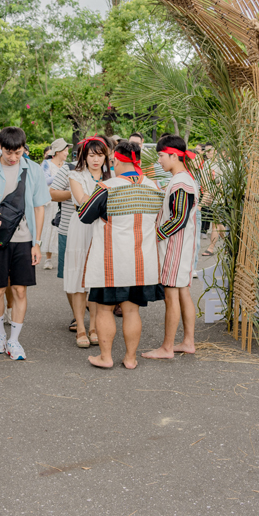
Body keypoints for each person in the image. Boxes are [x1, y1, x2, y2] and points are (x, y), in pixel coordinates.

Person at [79, 141, 165, 369]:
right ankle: (130, 358)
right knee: (131, 310)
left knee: (105, 309)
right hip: (141, 262)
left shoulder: (108, 187)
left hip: (111, 261)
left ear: (116, 160)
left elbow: (85, 215)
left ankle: (106, 357)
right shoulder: (154, 187)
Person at [0, 127, 51, 360]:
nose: (13, 157)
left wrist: (37, 242)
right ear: (0, 146)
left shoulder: (33, 170)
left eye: (18, 152)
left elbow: (39, 207)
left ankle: (14, 340)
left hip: (25, 239)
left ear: (24, 148)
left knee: (19, 289)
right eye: (8, 152)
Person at [142, 135, 202, 360]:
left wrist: (154, 236)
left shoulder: (181, 182)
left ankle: (167, 347)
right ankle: (187, 342)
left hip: (175, 248)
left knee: (172, 296)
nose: (159, 161)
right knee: (182, 293)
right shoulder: (183, 179)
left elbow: (178, 219)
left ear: (174, 155)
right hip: (181, 247)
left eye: (160, 156)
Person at [64, 137, 110, 347]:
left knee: (95, 279)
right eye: (91, 155)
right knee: (78, 277)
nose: (96, 159)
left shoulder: (111, 176)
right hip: (81, 225)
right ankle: (81, 329)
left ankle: (93, 326)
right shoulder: (75, 174)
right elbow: (83, 200)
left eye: (100, 155)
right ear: (84, 155)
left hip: (103, 228)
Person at [49, 147, 78, 326]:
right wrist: (76, 192)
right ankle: (77, 316)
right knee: (70, 276)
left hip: (97, 232)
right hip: (68, 230)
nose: (94, 158)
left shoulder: (106, 171)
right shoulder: (69, 169)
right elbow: (53, 194)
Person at [40, 138, 70, 271]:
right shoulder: (46, 164)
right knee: (50, 226)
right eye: (65, 150)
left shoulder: (67, 165)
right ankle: (48, 258)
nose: (67, 153)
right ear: (57, 151)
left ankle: (63, 258)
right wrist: (61, 176)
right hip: (51, 200)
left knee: (62, 227)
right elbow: (44, 180)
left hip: (65, 200)